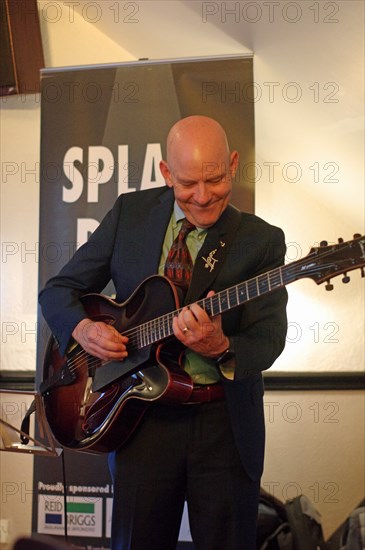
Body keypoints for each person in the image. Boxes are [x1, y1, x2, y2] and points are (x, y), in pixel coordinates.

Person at [39, 115, 288, 550]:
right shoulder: (129, 215)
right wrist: (82, 329)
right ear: (166, 173)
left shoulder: (261, 240)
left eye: (215, 179)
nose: (203, 196)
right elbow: (59, 290)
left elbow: (270, 338)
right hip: (141, 422)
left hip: (223, 425)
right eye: (189, 183)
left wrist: (222, 345)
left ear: (233, 164)